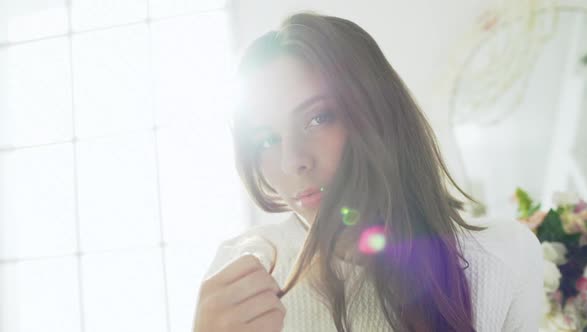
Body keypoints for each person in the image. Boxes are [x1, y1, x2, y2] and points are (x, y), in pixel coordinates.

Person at [192, 12, 544, 332]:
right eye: (267, 138)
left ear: (379, 114)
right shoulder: (244, 273)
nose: (291, 161)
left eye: (318, 118)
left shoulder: (500, 259)